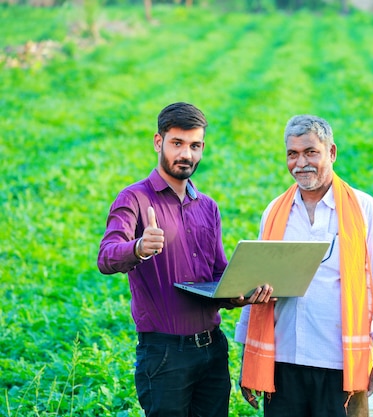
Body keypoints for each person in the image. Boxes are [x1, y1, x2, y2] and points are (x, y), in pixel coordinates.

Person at [97, 102, 273, 417]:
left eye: (194, 146)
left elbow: (217, 275)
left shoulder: (208, 206)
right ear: (158, 142)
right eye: (177, 143)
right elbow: (106, 256)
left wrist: (243, 293)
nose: (185, 154)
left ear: (202, 147)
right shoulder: (134, 199)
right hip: (165, 354)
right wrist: (138, 246)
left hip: (213, 350)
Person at [234, 115, 373, 417]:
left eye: (311, 152)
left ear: (332, 153)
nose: (301, 163)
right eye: (292, 154)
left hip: (340, 364)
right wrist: (250, 360)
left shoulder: (365, 209)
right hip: (284, 361)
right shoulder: (276, 211)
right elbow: (256, 279)